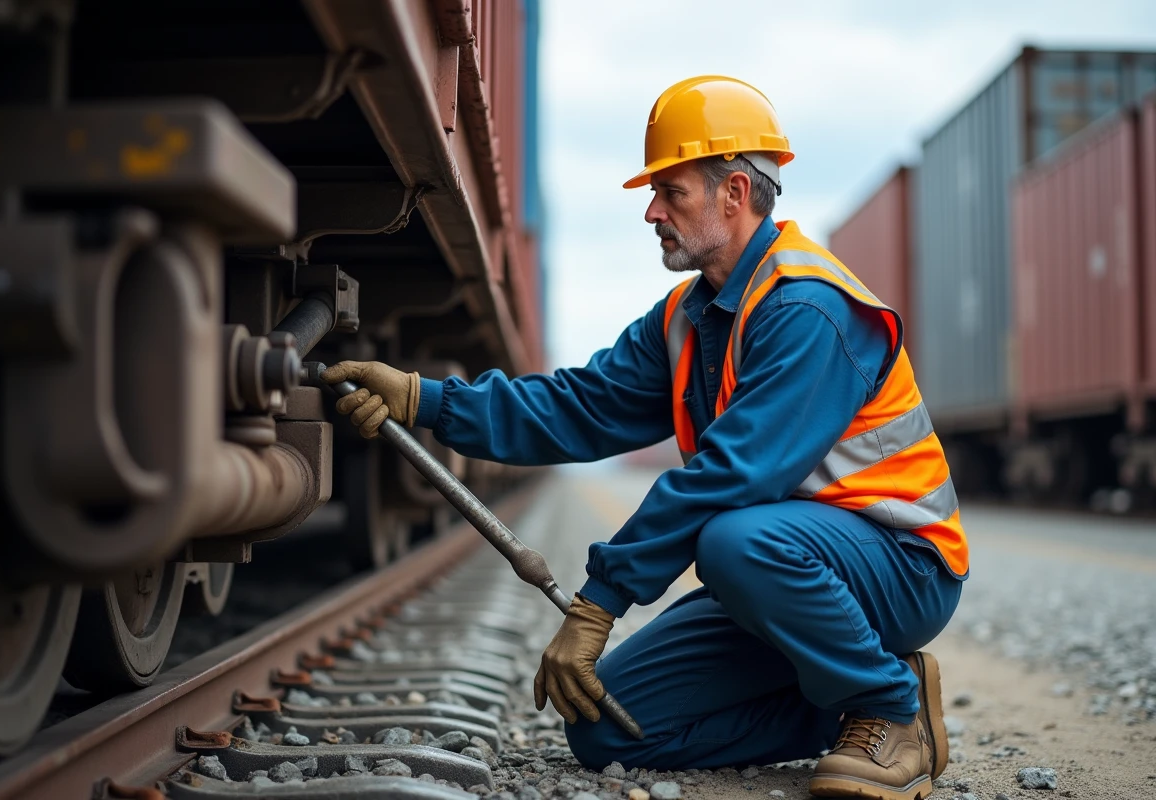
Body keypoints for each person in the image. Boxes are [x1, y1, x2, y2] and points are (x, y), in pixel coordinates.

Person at [324, 75, 967, 800]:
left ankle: (890, 707)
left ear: (735, 193)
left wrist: (599, 602)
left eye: (672, 191)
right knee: (607, 728)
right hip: (785, 569)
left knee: (732, 540)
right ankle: (855, 701)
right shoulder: (688, 319)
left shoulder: (810, 309)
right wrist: (424, 399)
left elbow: (734, 475)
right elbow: (577, 407)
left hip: (898, 565)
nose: (652, 211)